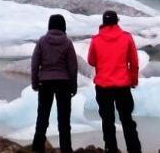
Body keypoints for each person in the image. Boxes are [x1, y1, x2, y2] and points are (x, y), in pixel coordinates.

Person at [87, 10, 142, 153]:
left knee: (107, 120)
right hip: (122, 85)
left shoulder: (96, 40)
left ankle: (111, 149)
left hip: (103, 85)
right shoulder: (126, 38)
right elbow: (134, 62)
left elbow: (91, 61)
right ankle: (134, 149)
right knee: (126, 119)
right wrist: (133, 80)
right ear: (117, 21)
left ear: (103, 22)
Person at [31, 13, 78, 152]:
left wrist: (35, 83)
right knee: (64, 119)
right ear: (63, 26)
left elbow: (35, 64)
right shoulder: (67, 42)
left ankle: (37, 147)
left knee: (42, 116)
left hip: (45, 82)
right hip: (63, 82)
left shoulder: (42, 41)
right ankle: (66, 148)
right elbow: (73, 66)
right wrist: (73, 86)